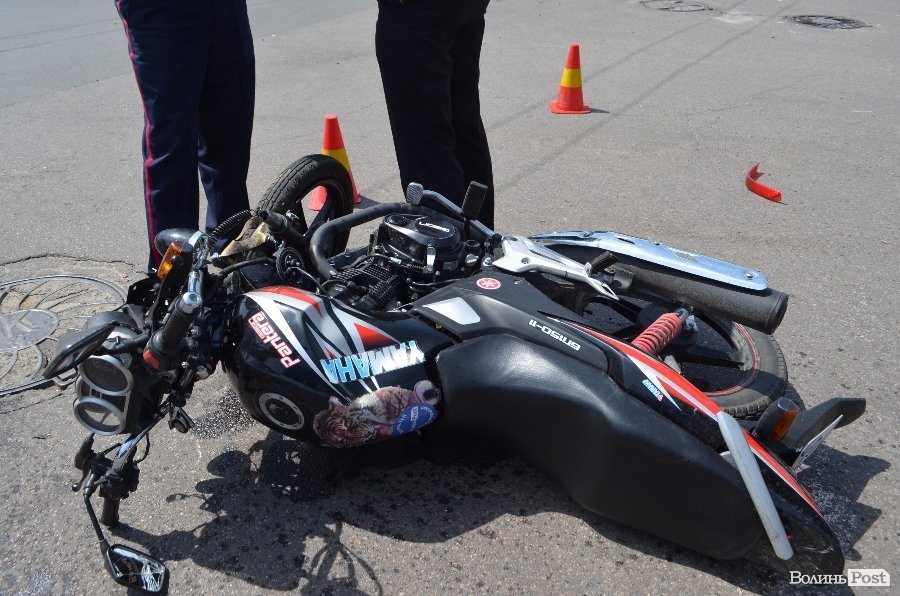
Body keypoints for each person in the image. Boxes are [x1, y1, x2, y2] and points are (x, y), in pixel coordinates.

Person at [114, 0, 256, 270]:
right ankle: (174, 274)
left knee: (230, 140)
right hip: (164, 12)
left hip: (226, 8)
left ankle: (233, 253)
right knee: (172, 149)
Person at [376, 0, 495, 228]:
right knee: (463, 124)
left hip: (417, 10)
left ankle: (446, 243)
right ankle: (479, 239)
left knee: (426, 145)